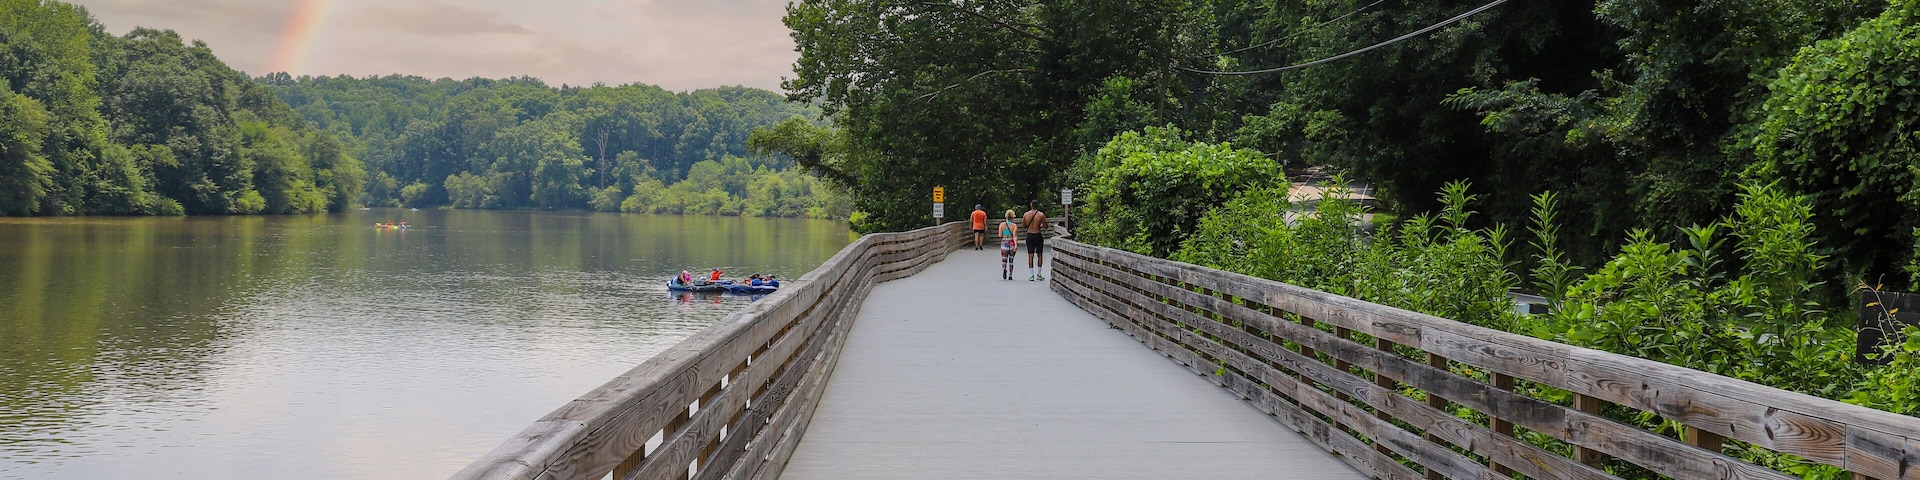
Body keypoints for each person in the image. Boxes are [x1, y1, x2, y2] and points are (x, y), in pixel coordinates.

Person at [1021, 201, 1048, 281]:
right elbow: (1046, 226)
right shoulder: (1041, 215)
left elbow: (1023, 226)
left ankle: (1031, 275)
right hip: (1037, 234)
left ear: (1030, 205)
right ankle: (1039, 274)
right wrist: (1041, 225)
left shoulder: (1026, 215)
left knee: (1030, 255)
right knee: (1039, 254)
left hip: (1029, 235)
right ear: (1037, 206)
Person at [999, 210, 1019, 280]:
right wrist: (1016, 245)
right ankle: (1010, 275)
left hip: (1004, 243)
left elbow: (1000, 235)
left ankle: (1004, 269)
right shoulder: (1014, 226)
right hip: (1011, 243)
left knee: (1004, 259)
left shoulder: (1001, 225)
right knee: (1011, 260)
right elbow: (1015, 236)